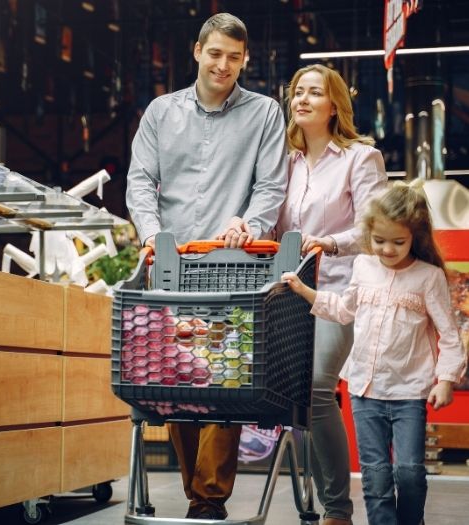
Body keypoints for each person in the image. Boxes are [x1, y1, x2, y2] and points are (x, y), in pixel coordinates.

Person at [125, 12, 288, 520]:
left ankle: (209, 498)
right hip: (173, 269)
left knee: (225, 378)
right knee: (178, 380)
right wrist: (153, 237)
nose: (224, 65)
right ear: (197, 51)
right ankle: (200, 493)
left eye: (234, 58)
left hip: (236, 266)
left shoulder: (264, 113)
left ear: (245, 61)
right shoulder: (160, 112)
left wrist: (250, 222)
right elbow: (140, 182)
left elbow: (271, 186)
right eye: (215, 54)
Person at [282, 181, 467, 525]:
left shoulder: (428, 277)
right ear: (369, 233)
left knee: (410, 472)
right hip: (364, 390)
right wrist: (305, 290)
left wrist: (445, 380)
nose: (387, 249)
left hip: (410, 391)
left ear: (417, 236)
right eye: (379, 240)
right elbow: (343, 309)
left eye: (398, 242)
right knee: (376, 476)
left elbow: (450, 335)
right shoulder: (364, 267)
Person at [274, 64, 388, 525]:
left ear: (334, 104)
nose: (301, 99)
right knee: (293, 395)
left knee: (319, 389)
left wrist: (330, 242)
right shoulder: (282, 160)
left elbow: (374, 227)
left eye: (314, 93)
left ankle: (337, 510)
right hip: (286, 292)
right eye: (297, 92)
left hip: (340, 288)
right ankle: (319, 501)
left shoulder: (361, 158)